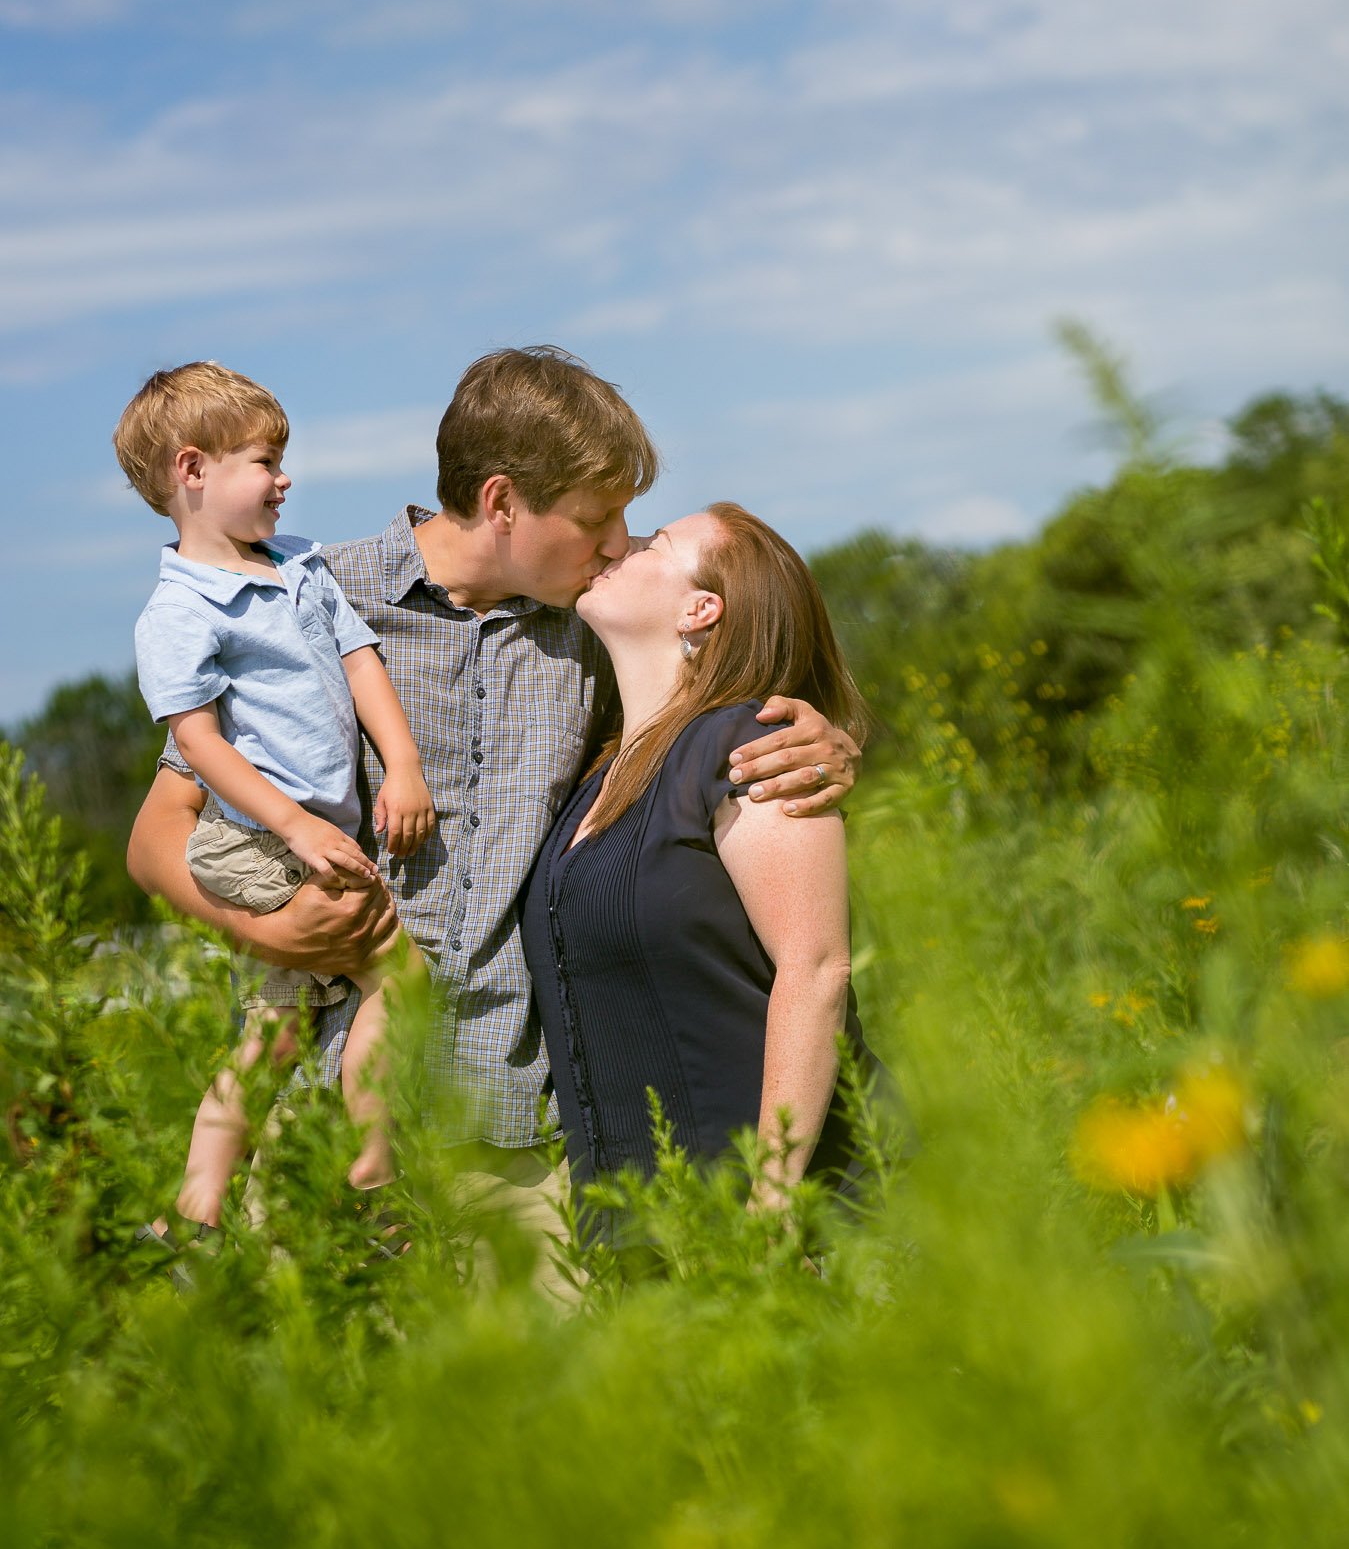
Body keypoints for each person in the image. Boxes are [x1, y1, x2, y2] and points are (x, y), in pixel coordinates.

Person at [126, 349, 861, 1287]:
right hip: (325, 1129)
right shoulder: (308, 597)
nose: (615, 547)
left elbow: (702, 707)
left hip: (523, 1142)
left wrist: (820, 737)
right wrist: (264, 923)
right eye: (596, 521)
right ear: (504, 502)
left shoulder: (590, 635)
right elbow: (156, 839)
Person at [113, 362, 434, 1261]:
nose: (284, 477)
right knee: (398, 975)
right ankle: (376, 1175)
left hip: (301, 831)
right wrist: (295, 825)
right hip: (254, 838)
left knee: (278, 1020)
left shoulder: (298, 565)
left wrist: (401, 764)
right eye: (265, 459)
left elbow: (361, 657)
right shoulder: (177, 610)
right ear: (193, 470)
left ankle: (195, 1213)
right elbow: (201, 744)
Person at [520, 502, 885, 1209]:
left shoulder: (755, 747)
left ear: (701, 608)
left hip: (778, 1218)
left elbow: (815, 970)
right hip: (644, 1222)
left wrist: (769, 1204)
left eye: (652, 542)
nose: (618, 544)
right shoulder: (597, 769)